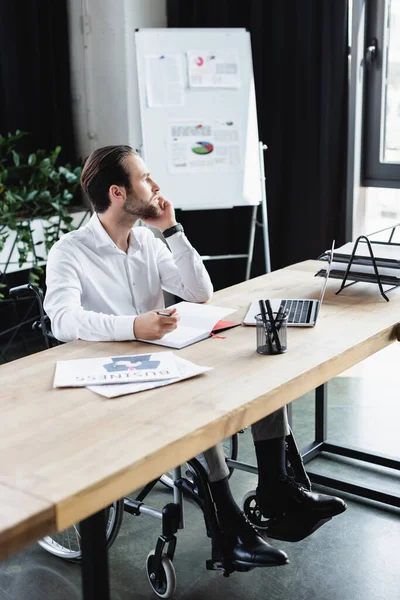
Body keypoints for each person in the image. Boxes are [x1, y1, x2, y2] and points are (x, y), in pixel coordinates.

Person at [44, 145, 346, 570]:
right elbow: (62, 320)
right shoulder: (70, 251)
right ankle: (229, 532)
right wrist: (135, 326)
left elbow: (200, 292)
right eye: (145, 178)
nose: (156, 185)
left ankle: (277, 491)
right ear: (117, 192)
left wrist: (172, 229)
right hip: (109, 376)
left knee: (258, 372)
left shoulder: (146, 242)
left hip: (159, 357)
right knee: (198, 405)